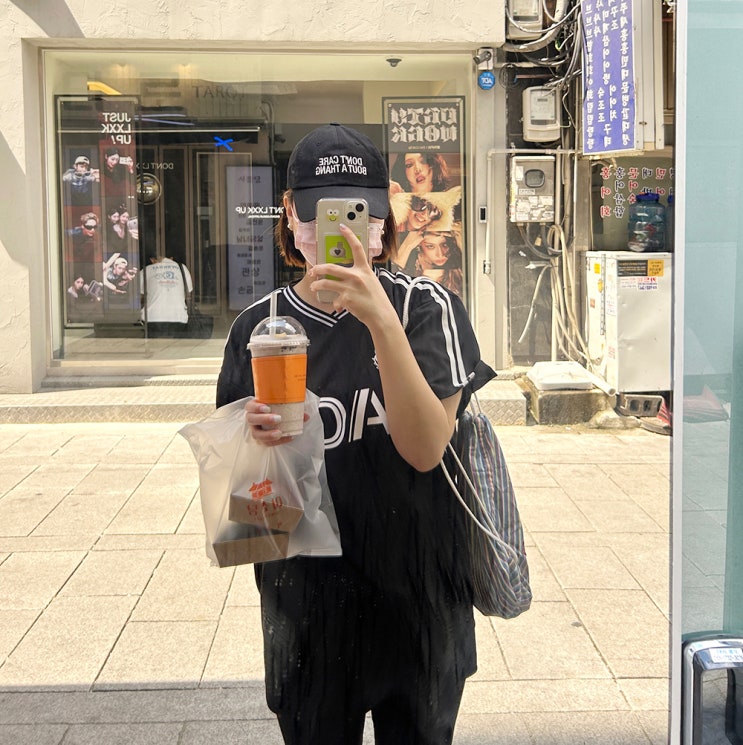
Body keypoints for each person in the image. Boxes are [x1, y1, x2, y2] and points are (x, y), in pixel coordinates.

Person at [216, 123, 495, 745]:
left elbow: (424, 450)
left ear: (383, 218)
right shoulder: (260, 328)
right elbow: (252, 510)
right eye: (321, 211)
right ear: (291, 214)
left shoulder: (428, 308)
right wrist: (251, 447)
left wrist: (379, 320)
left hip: (419, 602)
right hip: (306, 610)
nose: (339, 230)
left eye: (357, 211)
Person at [140, 254, 192, 336]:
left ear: (152, 260)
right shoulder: (182, 268)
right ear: (171, 258)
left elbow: (139, 297)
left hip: (152, 317)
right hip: (179, 317)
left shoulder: (146, 270)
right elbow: (188, 293)